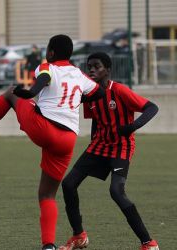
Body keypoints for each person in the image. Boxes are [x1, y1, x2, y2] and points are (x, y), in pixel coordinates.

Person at [0, 34, 105, 250]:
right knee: (47, 194)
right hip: (67, 139)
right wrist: (78, 97)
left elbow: (43, 81)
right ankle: (48, 245)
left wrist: (30, 92)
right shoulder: (79, 75)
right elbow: (100, 92)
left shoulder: (47, 66)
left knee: (12, 93)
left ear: (50, 53)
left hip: (45, 128)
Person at [59, 52, 159, 250]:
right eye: (89, 67)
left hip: (121, 147)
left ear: (108, 70)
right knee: (68, 184)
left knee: (116, 191)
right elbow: (96, 119)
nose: (92, 70)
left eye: (97, 66)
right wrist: (93, 141)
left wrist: (132, 126)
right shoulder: (90, 95)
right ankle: (79, 235)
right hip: (99, 146)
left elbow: (152, 108)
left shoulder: (120, 90)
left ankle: (149, 243)